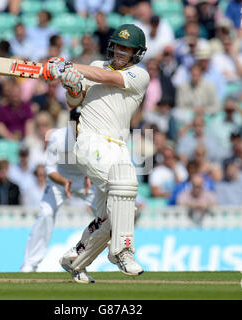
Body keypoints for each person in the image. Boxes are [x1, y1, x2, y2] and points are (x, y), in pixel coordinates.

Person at [44, 24, 149, 281]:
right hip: (90, 141)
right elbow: (74, 102)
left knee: (114, 212)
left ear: (137, 53)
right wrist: (71, 86)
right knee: (125, 183)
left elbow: (106, 78)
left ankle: (75, 259)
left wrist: (68, 66)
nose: (121, 52)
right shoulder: (96, 65)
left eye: (128, 48)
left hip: (118, 147)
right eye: (119, 46)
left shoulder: (140, 76)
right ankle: (122, 251)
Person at [21, 108, 97, 275]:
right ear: (70, 122)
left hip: (85, 181)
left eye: (81, 120)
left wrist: (91, 176)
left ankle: (82, 258)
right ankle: (30, 264)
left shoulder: (94, 137)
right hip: (59, 181)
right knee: (46, 214)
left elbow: (98, 164)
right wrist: (64, 182)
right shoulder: (58, 137)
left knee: (106, 216)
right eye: (75, 120)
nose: (78, 124)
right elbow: (50, 169)